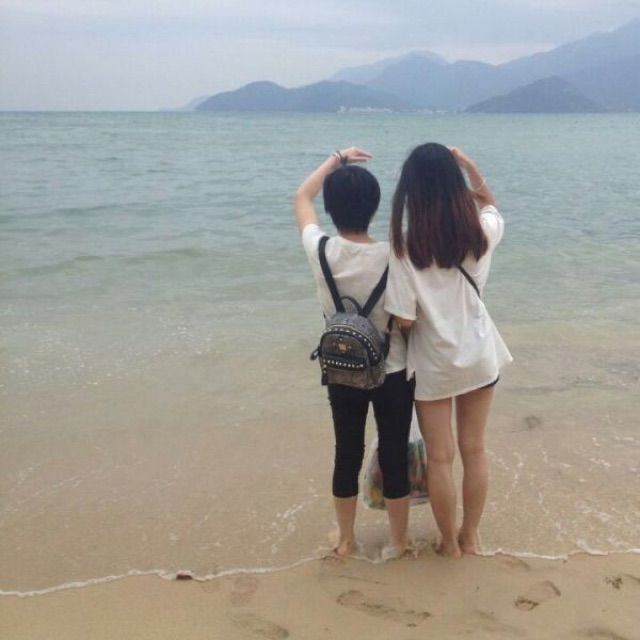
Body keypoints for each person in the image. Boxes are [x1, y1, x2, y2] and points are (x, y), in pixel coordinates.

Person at [384, 143, 512, 558]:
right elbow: (491, 205)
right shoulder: (481, 234)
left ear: (411, 192)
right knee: (475, 449)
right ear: (456, 187)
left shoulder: (404, 248)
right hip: (479, 356)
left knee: (440, 458)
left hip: (434, 364)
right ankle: (470, 535)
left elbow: (404, 318)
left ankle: (448, 543)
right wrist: (472, 169)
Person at [295, 147, 414, 558]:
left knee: (346, 452)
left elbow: (301, 197)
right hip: (392, 369)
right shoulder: (395, 255)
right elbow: (407, 319)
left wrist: (335, 159)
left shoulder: (320, 249)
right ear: (375, 207)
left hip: (341, 366)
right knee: (394, 453)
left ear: (331, 208)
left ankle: (346, 541)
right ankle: (398, 542)